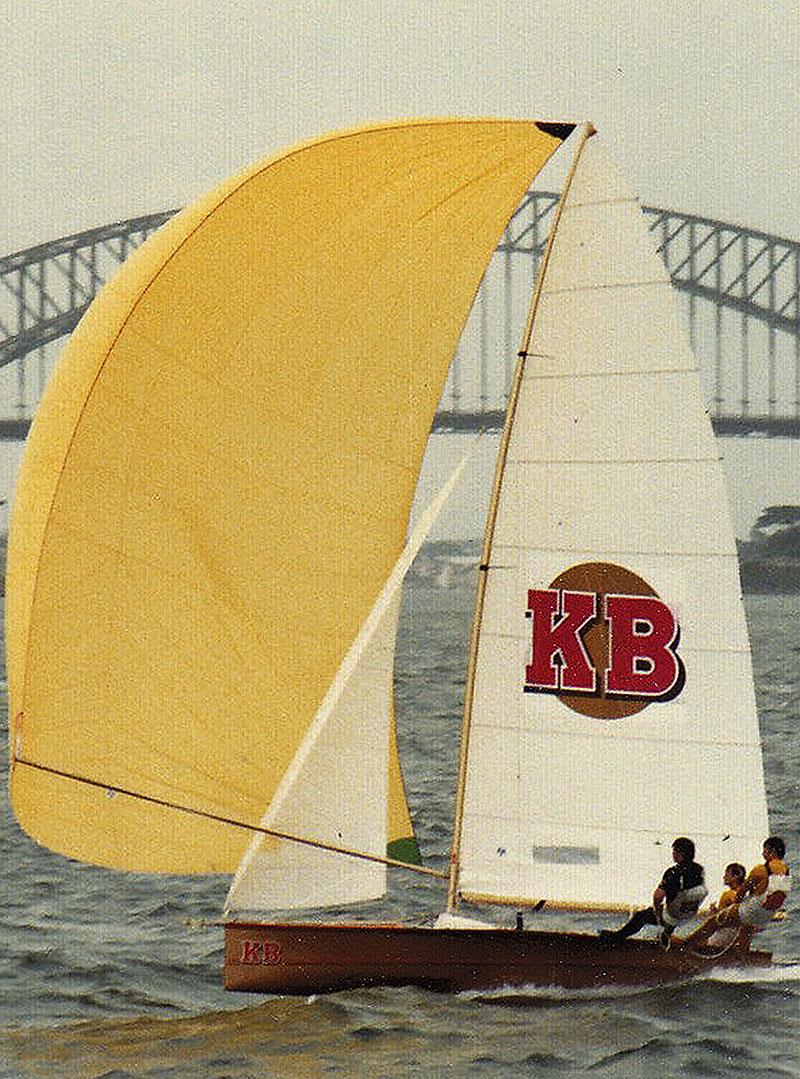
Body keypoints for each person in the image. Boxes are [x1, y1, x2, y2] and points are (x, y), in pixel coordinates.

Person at [682, 837, 791, 952]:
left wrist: (732, 906)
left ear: (771, 851)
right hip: (767, 914)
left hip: (752, 910)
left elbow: (741, 892)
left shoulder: (760, 870)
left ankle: (686, 944)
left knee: (714, 921)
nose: (763, 854)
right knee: (747, 926)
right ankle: (740, 957)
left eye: (764, 851)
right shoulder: (787, 873)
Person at [599, 837, 707, 949]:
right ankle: (665, 935)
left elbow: (658, 896)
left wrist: (657, 913)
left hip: (673, 914)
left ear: (680, 853)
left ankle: (615, 939)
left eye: (674, 850)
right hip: (689, 913)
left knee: (642, 916)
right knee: (676, 904)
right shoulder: (698, 870)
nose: (673, 853)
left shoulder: (673, 872)